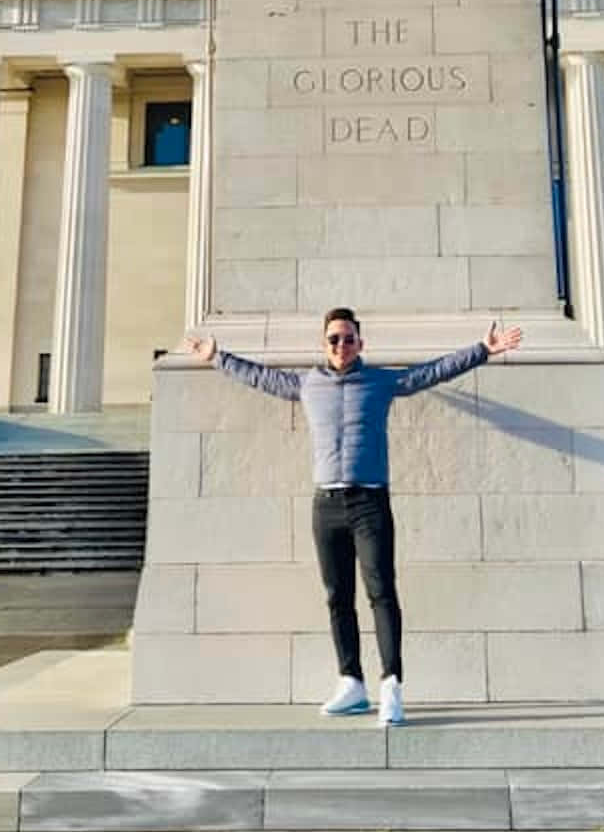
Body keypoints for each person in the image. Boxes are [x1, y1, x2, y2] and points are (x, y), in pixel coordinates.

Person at [185, 307, 523, 726]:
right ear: (323, 344)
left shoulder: (381, 381)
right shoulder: (307, 383)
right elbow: (262, 377)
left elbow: (431, 372)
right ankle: (352, 683)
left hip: (370, 504)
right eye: (333, 339)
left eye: (348, 338)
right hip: (326, 506)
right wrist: (218, 356)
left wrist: (482, 350)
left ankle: (391, 685)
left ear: (361, 344)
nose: (341, 345)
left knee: (381, 592)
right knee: (337, 597)